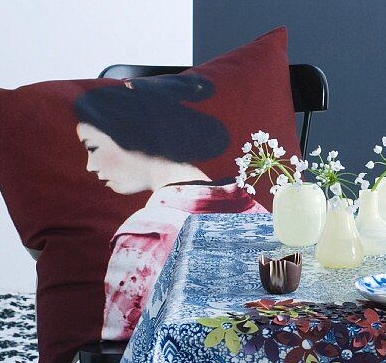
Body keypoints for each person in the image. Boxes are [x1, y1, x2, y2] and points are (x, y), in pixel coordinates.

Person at [74, 74, 266, 340]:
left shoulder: (145, 236)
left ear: (130, 134)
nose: (90, 166)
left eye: (93, 148)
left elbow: (120, 349)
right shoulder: (258, 213)